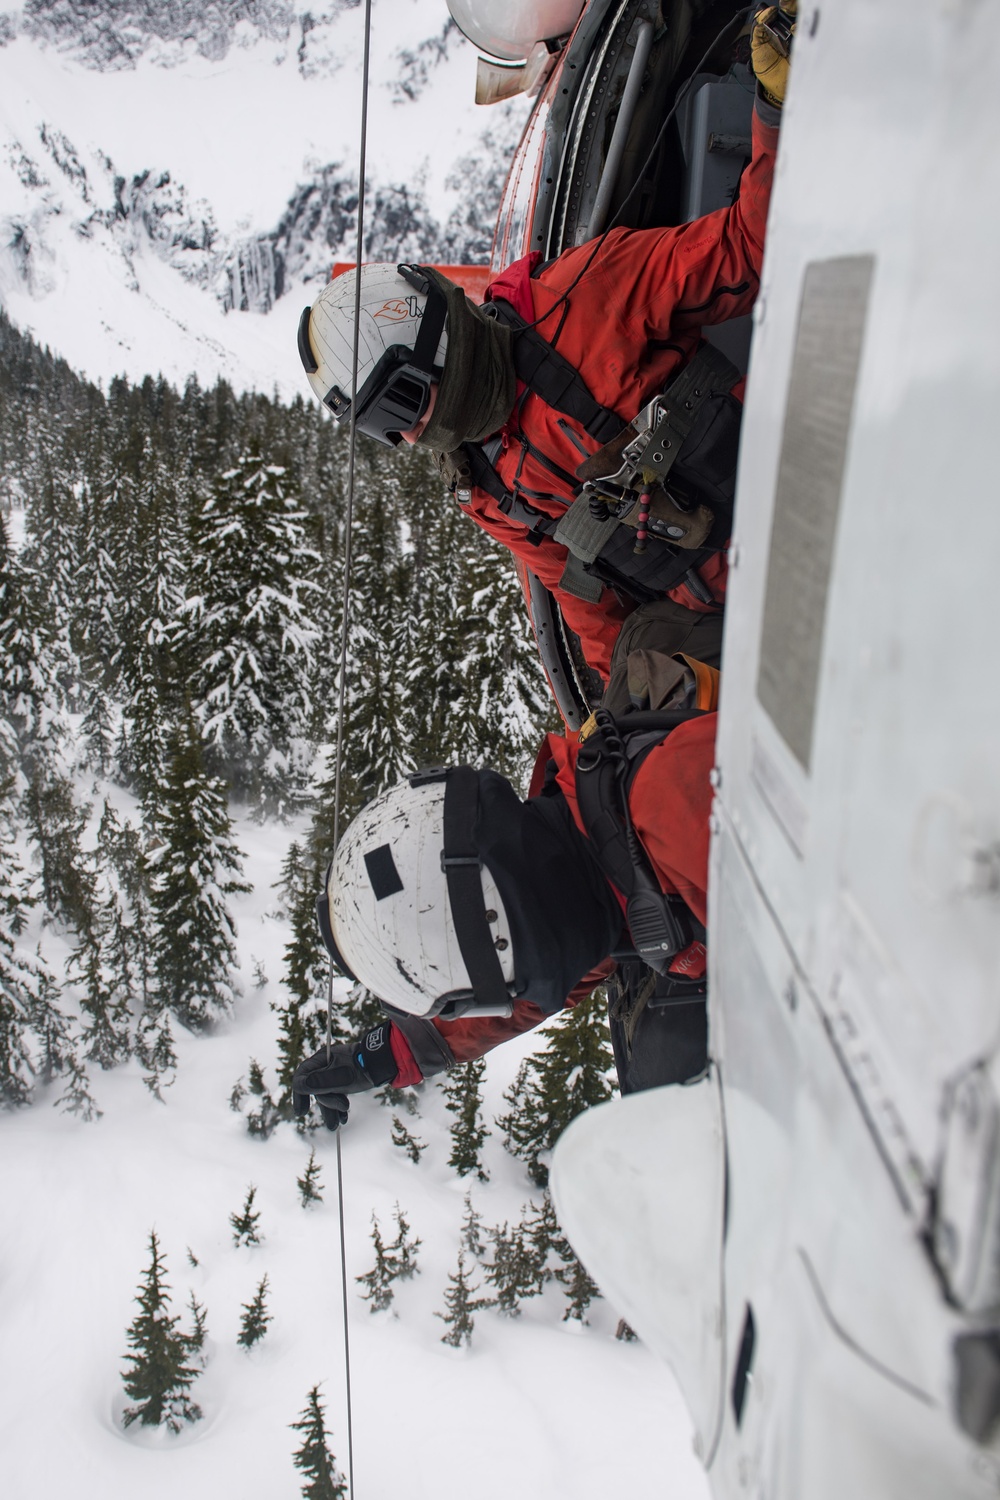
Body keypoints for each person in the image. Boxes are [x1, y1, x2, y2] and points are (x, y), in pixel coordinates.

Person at [296, 7, 795, 696]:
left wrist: (775, 106)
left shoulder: (586, 295)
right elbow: (581, 590)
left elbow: (748, 249)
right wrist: (607, 708)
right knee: (631, 749)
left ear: (433, 347)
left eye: (402, 406)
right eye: (386, 433)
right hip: (719, 619)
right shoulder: (487, 486)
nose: (410, 435)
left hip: (799, 509)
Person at [293, 654, 720, 1130]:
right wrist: (377, 1058)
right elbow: (526, 981)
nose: (519, 993)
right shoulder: (587, 864)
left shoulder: (685, 815)